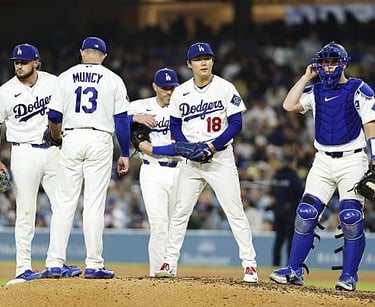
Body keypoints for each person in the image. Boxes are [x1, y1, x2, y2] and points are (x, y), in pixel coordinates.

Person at [269, 42, 375, 291]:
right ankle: (294, 270)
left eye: (333, 62)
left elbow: (371, 123)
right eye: (325, 62)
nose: (329, 67)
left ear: (344, 63)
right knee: (306, 213)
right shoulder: (314, 91)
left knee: (351, 217)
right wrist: (305, 77)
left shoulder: (359, 88)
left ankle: (349, 277)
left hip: (353, 159)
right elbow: (288, 105)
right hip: (323, 160)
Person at [154, 42, 258, 283]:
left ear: (213, 61)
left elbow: (236, 124)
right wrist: (188, 149)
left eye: (207, 58)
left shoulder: (225, 87)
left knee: (235, 212)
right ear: (189, 64)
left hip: (219, 158)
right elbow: (175, 126)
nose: (203, 62)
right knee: (180, 212)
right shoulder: (180, 92)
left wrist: (212, 145)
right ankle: (169, 262)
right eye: (198, 59)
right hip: (192, 162)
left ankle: (250, 265)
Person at [40, 36, 130, 279]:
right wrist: (125, 152)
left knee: (64, 202)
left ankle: (55, 262)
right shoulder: (113, 79)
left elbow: (55, 117)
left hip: (71, 137)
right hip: (99, 139)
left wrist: (58, 138)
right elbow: (122, 121)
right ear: (103, 56)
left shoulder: (65, 76)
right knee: (93, 204)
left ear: (82, 53)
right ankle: (94, 264)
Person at [0, 44, 81, 285]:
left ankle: (55, 262)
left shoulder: (54, 82)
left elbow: (69, 113)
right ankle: (23, 268)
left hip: (55, 151)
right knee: (26, 211)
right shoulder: (5, 91)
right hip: (23, 152)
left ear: (36, 62)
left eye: (24, 62)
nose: (19, 65)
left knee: (63, 206)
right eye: (16, 62)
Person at [128, 67, 180, 277]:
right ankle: (157, 274)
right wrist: (134, 118)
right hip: (152, 170)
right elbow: (116, 119)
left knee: (175, 226)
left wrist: (153, 148)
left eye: (172, 88)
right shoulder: (141, 106)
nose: (169, 92)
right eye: (165, 88)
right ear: (155, 87)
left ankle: (171, 270)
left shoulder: (183, 106)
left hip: (180, 169)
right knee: (159, 224)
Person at [269, 154, 304, 266]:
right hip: (290, 210)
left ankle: (275, 264)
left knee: (279, 238)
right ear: (292, 163)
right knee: (290, 239)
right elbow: (300, 191)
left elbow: (273, 191)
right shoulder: (292, 175)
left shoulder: (277, 175)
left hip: (278, 210)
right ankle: (290, 265)